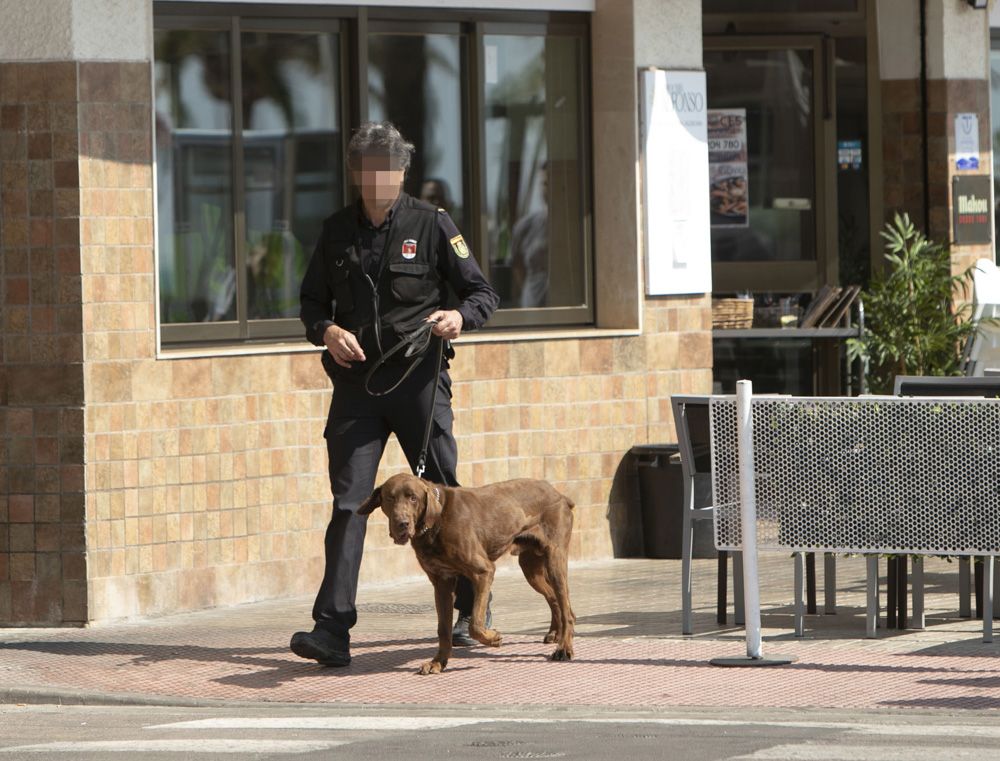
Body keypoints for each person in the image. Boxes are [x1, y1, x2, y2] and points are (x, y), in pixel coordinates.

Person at [292, 121, 500, 667]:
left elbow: (482, 292)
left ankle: (470, 606)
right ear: (356, 173)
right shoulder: (336, 230)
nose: (379, 178)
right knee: (348, 506)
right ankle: (331, 630)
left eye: (389, 168)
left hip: (420, 383)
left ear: (402, 172)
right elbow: (311, 304)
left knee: (448, 499)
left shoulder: (432, 224)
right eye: (368, 168)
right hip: (357, 389)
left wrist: (459, 316)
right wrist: (326, 332)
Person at [510, 163, 549, 308]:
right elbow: (517, 266)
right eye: (545, 183)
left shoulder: (579, 227)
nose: (549, 189)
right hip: (533, 307)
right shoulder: (525, 226)